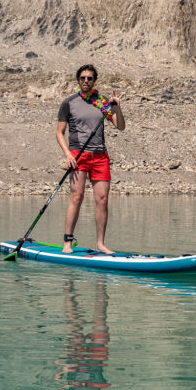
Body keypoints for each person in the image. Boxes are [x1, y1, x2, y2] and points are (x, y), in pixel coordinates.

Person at [55, 64, 125, 254]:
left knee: (102, 199)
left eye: (90, 78)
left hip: (100, 156)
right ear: (78, 80)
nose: (86, 81)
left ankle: (100, 244)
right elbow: (59, 133)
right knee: (77, 197)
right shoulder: (69, 103)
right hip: (78, 155)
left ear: (94, 80)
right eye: (83, 78)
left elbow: (120, 127)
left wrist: (116, 108)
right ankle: (67, 243)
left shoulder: (102, 102)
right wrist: (68, 154)